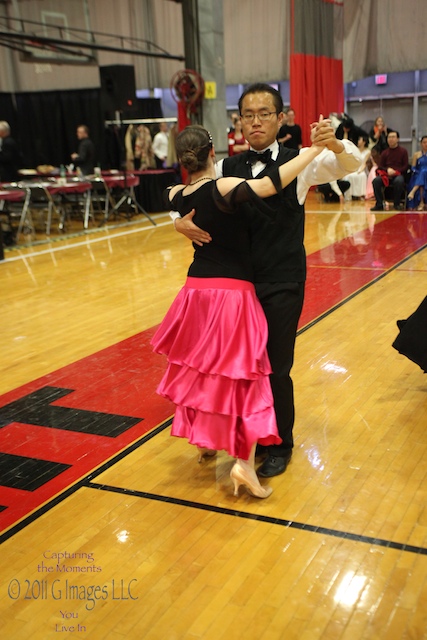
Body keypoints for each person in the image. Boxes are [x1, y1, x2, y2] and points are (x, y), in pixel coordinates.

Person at [172, 83, 362, 478]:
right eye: (248, 115)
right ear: (239, 122)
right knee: (238, 369)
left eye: (264, 113)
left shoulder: (301, 161)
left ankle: (279, 444)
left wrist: (335, 144)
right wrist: (179, 223)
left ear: (280, 119)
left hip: (281, 280)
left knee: (275, 367)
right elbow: (189, 195)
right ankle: (244, 438)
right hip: (236, 288)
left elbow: (351, 165)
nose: (255, 121)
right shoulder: (226, 167)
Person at [153, 124, 327, 499]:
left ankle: (205, 441)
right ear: (211, 153)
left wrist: (179, 223)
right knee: (243, 376)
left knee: (204, 371)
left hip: (195, 292)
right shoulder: (223, 187)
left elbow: (166, 198)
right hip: (231, 294)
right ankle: (244, 464)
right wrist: (312, 151)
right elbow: (269, 185)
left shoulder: (177, 193)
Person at [370, 130, 409, 212]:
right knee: (376, 181)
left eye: (393, 137)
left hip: (398, 174)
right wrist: (387, 170)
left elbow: (405, 166)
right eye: (389, 137)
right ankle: (379, 204)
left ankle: (397, 204)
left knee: (399, 181)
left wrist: (395, 171)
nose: (391, 139)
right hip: (386, 174)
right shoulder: (384, 153)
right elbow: (380, 166)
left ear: (397, 139)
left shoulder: (403, 151)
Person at [345, 134, 371, 199]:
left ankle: (360, 195)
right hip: (354, 167)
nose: (358, 141)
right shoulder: (355, 150)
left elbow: (364, 163)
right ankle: (349, 195)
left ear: (364, 142)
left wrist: (360, 170)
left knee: (360, 175)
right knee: (348, 176)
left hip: (362, 169)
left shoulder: (368, 152)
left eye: (360, 140)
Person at [407, 135, 427, 211]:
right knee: (422, 174)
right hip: (418, 174)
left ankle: (414, 192)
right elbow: (413, 167)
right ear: (421, 144)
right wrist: (418, 172)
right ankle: (421, 202)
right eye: (424, 142)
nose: (426, 144)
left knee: (424, 171)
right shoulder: (416, 154)